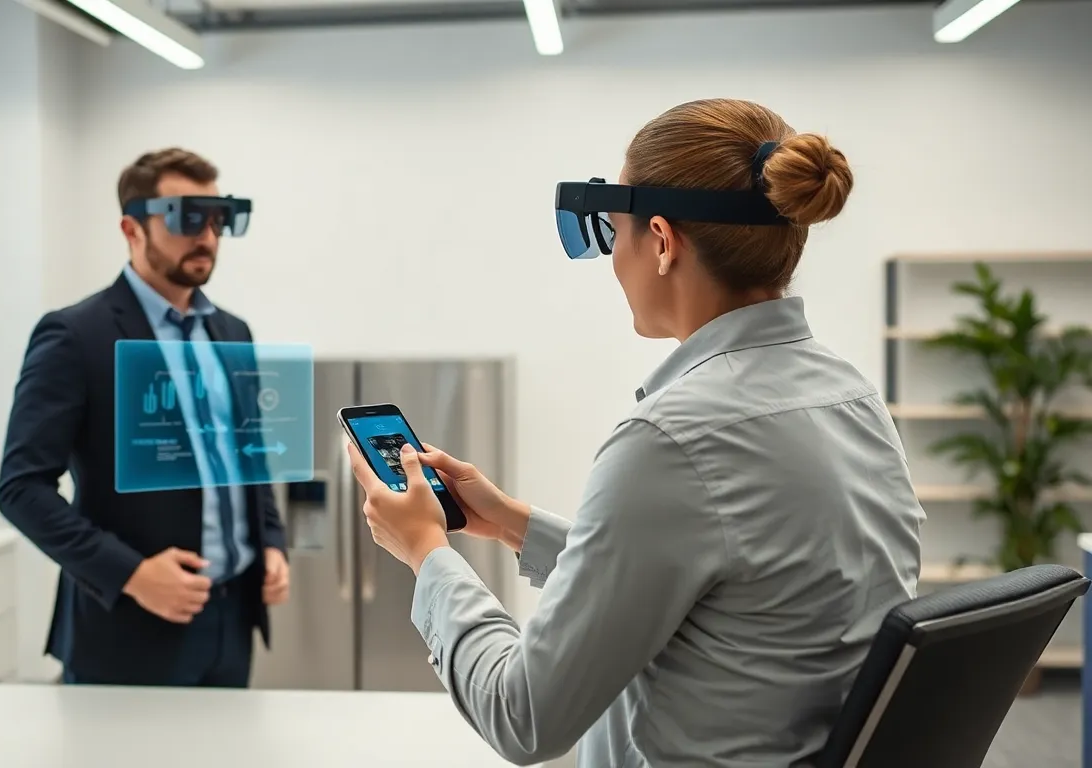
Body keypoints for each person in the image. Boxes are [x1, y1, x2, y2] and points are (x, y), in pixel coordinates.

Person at [347, 99, 923, 766]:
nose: (613, 258)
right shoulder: (851, 397)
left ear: (660, 240)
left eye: (612, 232)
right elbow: (731, 590)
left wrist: (425, 551)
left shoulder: (672, 438)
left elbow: (522, 717)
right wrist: (513, 524)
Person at [0, 148, 290, 687]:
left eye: (218, 217)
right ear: (132, 228)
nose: (206, 235)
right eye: (186, 217)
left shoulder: (232, 332)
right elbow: (20, 489)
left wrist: (272, 540)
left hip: (233, 620)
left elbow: (246, 451)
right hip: (127, 629)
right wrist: (130, 574)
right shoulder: (75, 335)